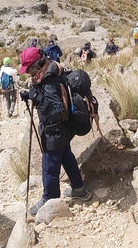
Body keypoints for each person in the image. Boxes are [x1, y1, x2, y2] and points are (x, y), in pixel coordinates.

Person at [19, 46, 91, 216]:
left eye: (29, 68)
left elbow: (56, 109)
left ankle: (49, 200)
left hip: (54, 130)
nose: (28, 72)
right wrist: (31, 95)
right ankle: (79, 189)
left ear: (37, 64)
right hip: (62, 128)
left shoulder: (49, 80)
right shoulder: (48, 71)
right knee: (67, 156)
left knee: (49, 166)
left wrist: (35, 97)